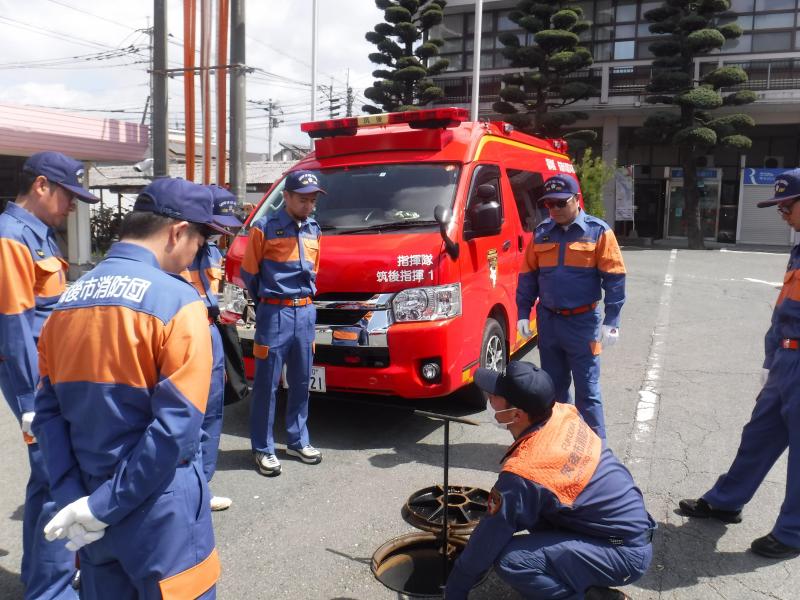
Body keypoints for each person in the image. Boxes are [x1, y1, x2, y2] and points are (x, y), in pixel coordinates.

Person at [32, 178, 226, 597]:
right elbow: (177, 429)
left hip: (86, 497)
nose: (198, 253)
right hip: (160, 507)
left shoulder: (66, 303)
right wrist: (107, 505)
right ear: (177, 232)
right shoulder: (178, 302)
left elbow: (47, 413)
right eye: (200, 239)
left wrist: (78, 500)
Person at [445, 361, 654, 600]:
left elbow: (488, 537)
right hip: (623, 531)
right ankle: (584, 583)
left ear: (516, 414)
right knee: (533, 513)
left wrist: (455, 589)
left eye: (495, 396)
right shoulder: (563, 413)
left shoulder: (526, 471)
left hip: (622, 551)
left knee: (513, 561)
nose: (489, 398)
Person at [679, 168, 800, 559]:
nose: (782, 213)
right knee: (758, 437)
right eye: (779, 207)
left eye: (787, 206)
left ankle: (794, 532)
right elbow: (784, 310)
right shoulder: (798, 249)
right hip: (786, 360)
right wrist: (772, 360)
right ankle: (726, 501)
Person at [0, 151, 100, 598]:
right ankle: (50, 590)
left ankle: (47, 579)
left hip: (54, 379)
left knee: (48, 482)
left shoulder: (39, 235)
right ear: (42, 185)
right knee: (55, 479)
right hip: (38, 386)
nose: (72, 207)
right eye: (68, 196)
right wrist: (29, 405)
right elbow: (14, 327)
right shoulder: (11, 238)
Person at [516, 175, 626, 440]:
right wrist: (522, 313)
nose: (554, 210)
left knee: (588, 389)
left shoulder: (598, 232)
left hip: (583, 323)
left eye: (560, 203)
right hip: (549, 322)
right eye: (549, 205)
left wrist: (612, 320)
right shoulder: (542, 233)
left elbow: (615, 277)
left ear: (577, 200)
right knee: (553, 389)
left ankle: (596, 450)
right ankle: (560, 442)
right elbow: (528, 276)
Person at [241, 170, 324, 476]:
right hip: (274, 313)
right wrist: (268, 303)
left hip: (305, 312)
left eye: (313, 200)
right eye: (303, 199)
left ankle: (297, 440)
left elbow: (315, 270)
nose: (308, 205)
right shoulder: (264, 227)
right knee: (266, 384)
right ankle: (263, 448)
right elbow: (250, 273)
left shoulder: (314, 229)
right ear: (286, 197)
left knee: (302, 380)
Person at [181, 184, 242, 511]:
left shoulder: (214, 252)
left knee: (211, 417)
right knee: (185, 417)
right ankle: (182, 493)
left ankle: (202, 488)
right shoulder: (177, 249)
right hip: (185, 336)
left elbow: (221, 295)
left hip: (213, 334)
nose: (220, 233)